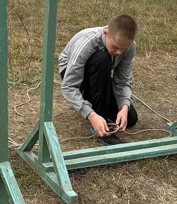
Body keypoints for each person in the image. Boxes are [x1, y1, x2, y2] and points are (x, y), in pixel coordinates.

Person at [58, 15, 139, 146]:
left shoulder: (129, 47)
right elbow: (69, 86)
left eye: (123, 49)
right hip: (73, 75)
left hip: (100, 75)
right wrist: (91, 115)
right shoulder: (87, 42)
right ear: (106, 33)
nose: (119, 52)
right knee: (103, 58)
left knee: (130, 120)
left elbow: (122, 82)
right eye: (116, 47)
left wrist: (124, 107)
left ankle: (90, 103)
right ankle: (101, 126)